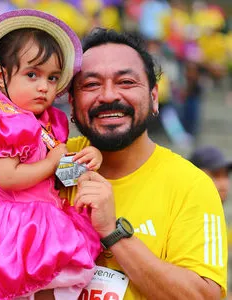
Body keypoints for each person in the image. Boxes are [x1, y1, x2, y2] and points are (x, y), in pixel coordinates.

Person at [0, 9, 102, 300]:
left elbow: (58, 179)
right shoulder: (4, 124)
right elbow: (8, 177)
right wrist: (52, 161)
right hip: (3, 228)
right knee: (1, 286)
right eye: (32, 74)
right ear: (1, 74)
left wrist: (82, 165)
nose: (43, 87)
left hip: (37, 225)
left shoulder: (45, 123)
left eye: (52, 78)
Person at [61, 28, 227, 299]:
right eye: (91, 85)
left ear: (153, 96)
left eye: (126, 82)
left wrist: (112, 231)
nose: (108, 96)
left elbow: (202, 296)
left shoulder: (191, 186)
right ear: (71, 101)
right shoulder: (47, 164)